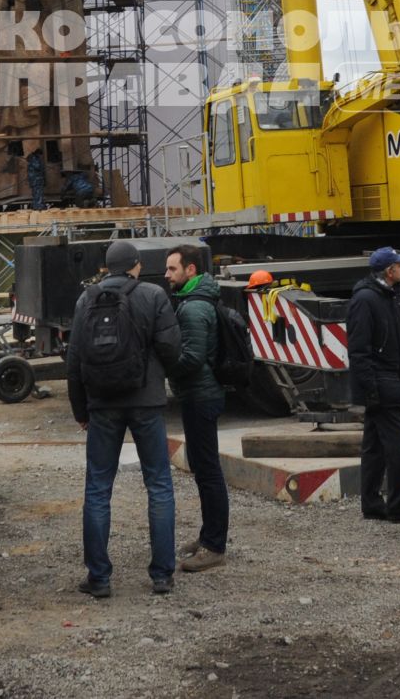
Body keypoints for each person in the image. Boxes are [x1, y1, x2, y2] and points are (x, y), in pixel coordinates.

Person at [65, 240, 182, 598]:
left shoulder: (87, 299)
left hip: (102, 403)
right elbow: (170, 347)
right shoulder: (153, 295)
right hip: (145, 401)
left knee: (98, 489)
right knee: (159, 485)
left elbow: (74, 360)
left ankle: (98, 578)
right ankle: (162, 575)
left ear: (106, 268)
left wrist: (80, 410)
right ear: (135, 266)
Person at [163, 244, 228, 572]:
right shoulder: (196, 300)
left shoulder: (192, 309)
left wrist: (164, 363)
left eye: (172, 269)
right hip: (202, 394)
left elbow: (191, 359)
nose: (166, 274)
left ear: (190, 270)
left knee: (208, 472)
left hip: (201, 396)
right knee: (204, 471)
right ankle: (208, 537)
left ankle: (215, 546)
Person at [347, 246, 400, 523]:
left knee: (374, 448)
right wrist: (372, 389)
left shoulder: (386, 296)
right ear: (390, 271)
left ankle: (372, 504)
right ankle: (398, 507)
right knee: (398, 449)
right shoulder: (366, 300)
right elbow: (358, 350)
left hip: (386, 381)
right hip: (381, 383)